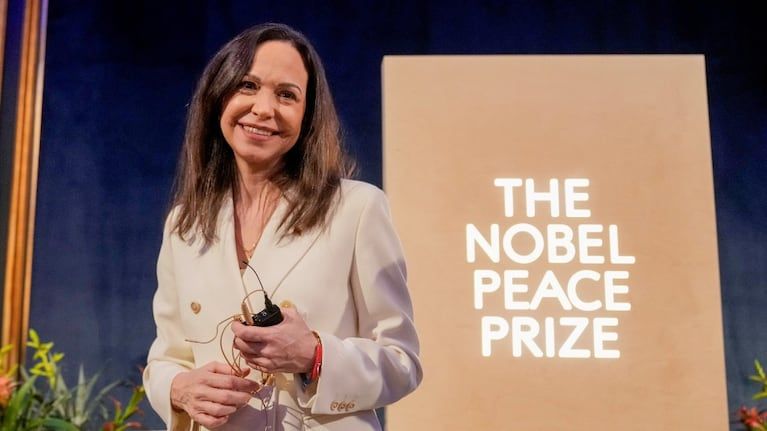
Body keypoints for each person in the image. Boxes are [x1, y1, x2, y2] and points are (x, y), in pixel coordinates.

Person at [143, 23, 422, 431]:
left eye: (287, 95)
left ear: (307, 116)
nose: (263, 108)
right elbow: (166, 357)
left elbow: (402, 361)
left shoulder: (357, 208)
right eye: (248, 86)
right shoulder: (185, 225)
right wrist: (180, 389)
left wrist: (314, 355)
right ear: (219, 96)